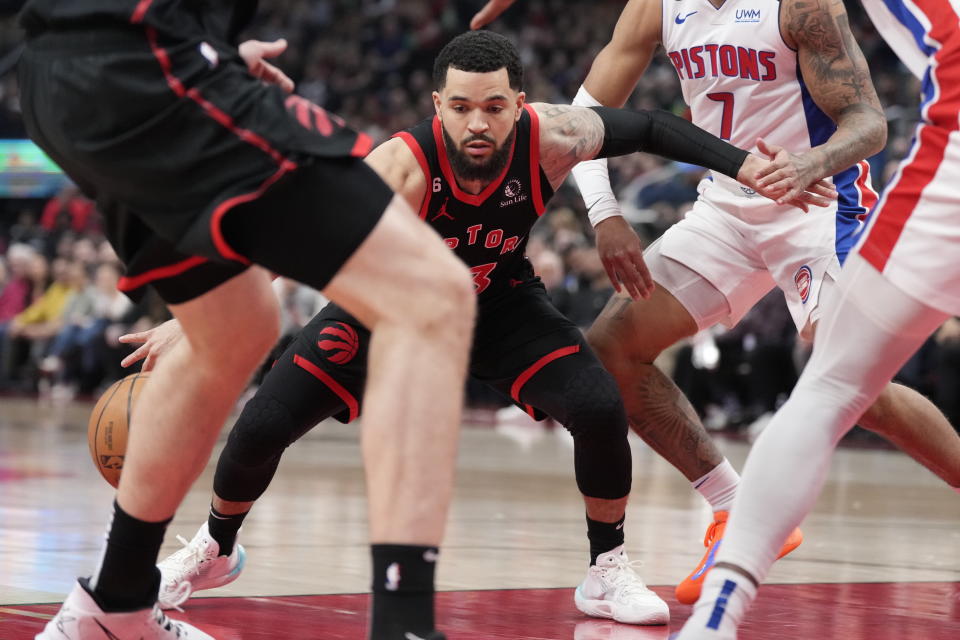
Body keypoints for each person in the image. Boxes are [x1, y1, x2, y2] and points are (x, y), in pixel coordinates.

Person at [122, 30, 830, 628]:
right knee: (261, 425)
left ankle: (606, 569)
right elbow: (293, 240)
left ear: (518, 104)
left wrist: (746, 166)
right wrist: (191, 328)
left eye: (494, 106)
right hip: (388, 309)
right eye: (461, 108)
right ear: (439, 106)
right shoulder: (398, 166)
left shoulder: (552, 136)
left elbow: (647, 125)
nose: (478, 124)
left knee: (596, 404)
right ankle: (216, 548)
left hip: (496, 300)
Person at [18, 1, 481, 639]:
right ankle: (404, 627)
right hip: (143, 65)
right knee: (432, 295)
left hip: (69, 82)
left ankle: (114, 609)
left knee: (235, 325)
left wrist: (209, 48)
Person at [474, 0, 960, 607]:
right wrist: (606, 216)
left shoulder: (801, 5)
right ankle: (732, 508)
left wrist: (816, 159)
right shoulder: (656, 6)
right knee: (611, 351)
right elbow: (582, 115)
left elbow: (868, 122)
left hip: (816, 203)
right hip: (726, 205)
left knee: (858, 386)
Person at [672, 0, 960, 635]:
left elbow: (867, 121)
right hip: (742, 201)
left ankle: (716, 616)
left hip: (902, 176)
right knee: (829, 378)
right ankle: (715, 583)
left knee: (831, 385)